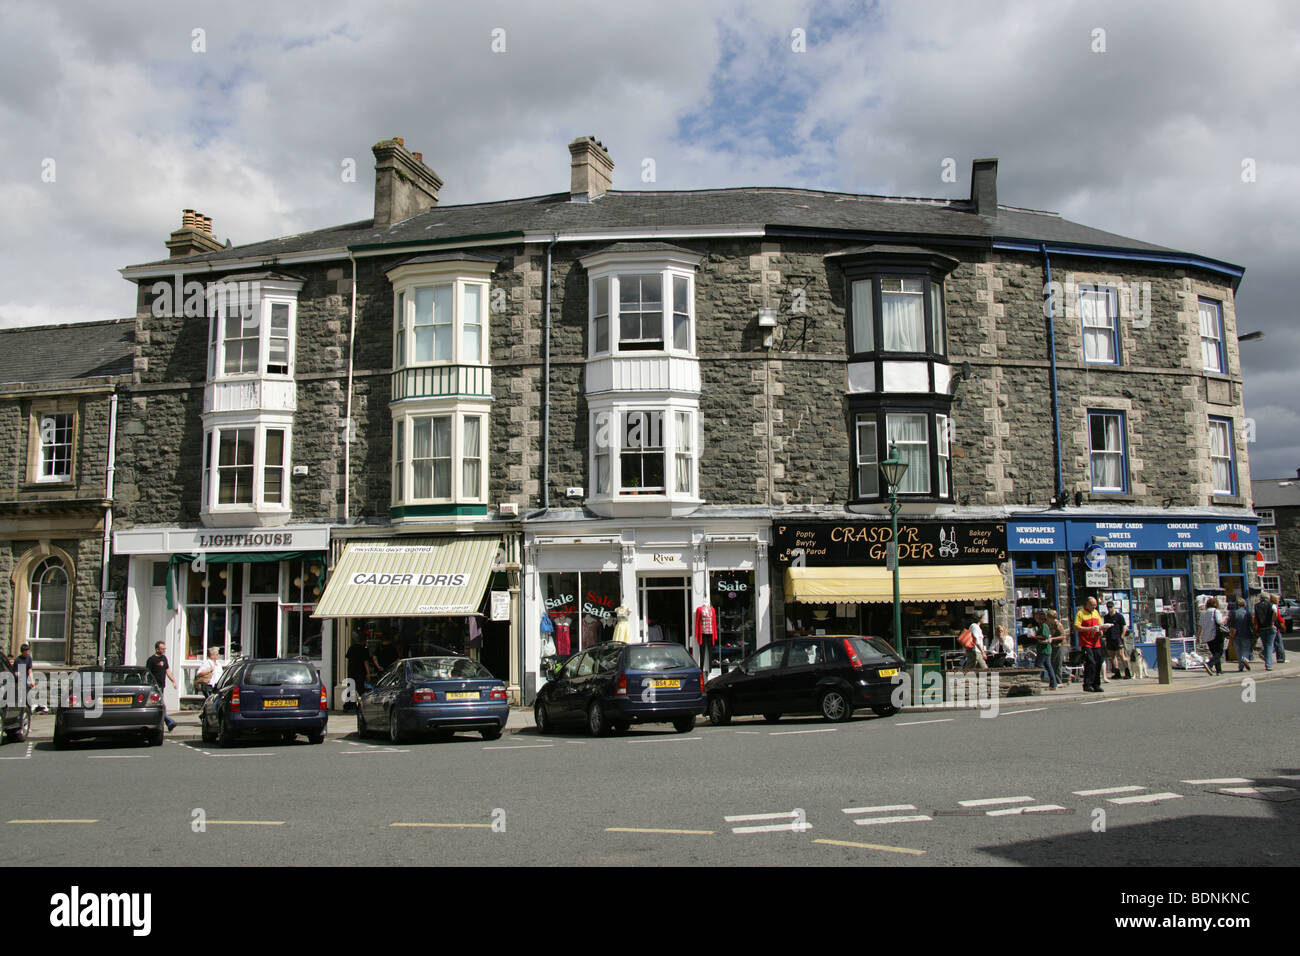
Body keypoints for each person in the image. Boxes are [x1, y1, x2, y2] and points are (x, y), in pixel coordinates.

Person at [145, 640, 178, 731]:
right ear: (157, 649)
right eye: (162, 649)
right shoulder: (151, 660)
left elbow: (167, 670)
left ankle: (167, 722)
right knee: (160, 705)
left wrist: (173, 681)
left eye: (164, 649)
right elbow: (147, 673)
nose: (164, 650)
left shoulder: (164, 659)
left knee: (159, 705)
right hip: (154, 686)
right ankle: (169, 721)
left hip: (161, 685)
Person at [1074, 597, 1105, 692]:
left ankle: (1096, 684)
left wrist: (1100, 632)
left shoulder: (1096, 613)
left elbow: (1100, 626)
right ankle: (1087, 684)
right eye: (1092, 605)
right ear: (1087, 604)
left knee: (1098, 662)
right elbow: (1076, 626)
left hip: (1096, 642)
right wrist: (1089, 629)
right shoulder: (1081, 613)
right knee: (1090, 663)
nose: (1094, 607)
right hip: (1086, 642)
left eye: (1095, 605)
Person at [344, 633, 375, 709]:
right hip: (360, 671)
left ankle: (348, 705)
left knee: (350, 688)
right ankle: (363, 704)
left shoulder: (351, 648)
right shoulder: (364, 649)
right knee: (360, 689)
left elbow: (348, 659)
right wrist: (368, 673)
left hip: (351, 671)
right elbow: (366, 662)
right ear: (364, 641)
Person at [1198, 597, 1226, 676]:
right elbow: (1219, 622)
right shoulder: (1215, 611)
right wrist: (1225, 618)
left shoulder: (1203, 613)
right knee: (1219, 652)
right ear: (1215, 604)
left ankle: (1219, 670)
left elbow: (1200, 626)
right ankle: (1209, 664)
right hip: (1216, 634)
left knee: (1214, 653)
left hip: (1207, 636)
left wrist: (1198, 636)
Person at [1103, 600, 1131, 679]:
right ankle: (1117, 672)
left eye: (1111, 607)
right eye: (1108, 607)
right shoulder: (1106, 617)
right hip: (1110, 637)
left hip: (1117, 637)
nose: (1109, 609)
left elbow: (1124, 626)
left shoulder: (1119, 616)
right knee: (1112, 655)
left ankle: (1127, 672)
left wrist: (1122, 636)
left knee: (1121, 654)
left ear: (1114, 607)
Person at [1033, 611, 1059, 688]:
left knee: (1038, 666)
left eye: (1036, 617)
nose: (1035, 618)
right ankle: (1053, 684)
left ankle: (1036, 683)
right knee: (1048, 666)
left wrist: (1034, 637)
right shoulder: (1043, 625)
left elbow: (1044, 636)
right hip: (1045, 650)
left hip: (1043, 650)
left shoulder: (1043, 625)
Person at [1253, 593, 1278, 670]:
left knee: (1266, 645)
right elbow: (1275, 612)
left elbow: (1255, 617)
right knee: (1269, 646)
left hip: (1262, 628)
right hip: (1270, 627)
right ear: (1267, 598)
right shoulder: (1272, 605)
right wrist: (1272, 622)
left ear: (1260, 598)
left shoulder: (1256, 606)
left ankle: (1266, 658)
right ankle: (1268, 664)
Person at [1230, 597, 1253, 672]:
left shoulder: (1233, 613)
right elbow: (1251, 624)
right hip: (1246, 633)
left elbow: (1231, 624)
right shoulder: (1247, 613)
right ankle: (1245, 659)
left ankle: (1240, 666)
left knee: (1238, 650)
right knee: (1246, 648)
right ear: (1244, 604)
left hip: (1235, 634)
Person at [1045, 609, 1068, 683]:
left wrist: (1052, 638)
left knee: (1058, 664)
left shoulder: (1058, 624)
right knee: (1053, 663)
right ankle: (1054, 680)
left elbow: (1063, 636)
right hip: (1054, 645)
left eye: (1048, 617)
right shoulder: (1049, 624)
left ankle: (1058, 681)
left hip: (1060, 645)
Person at [1273, 595, 1288, 663]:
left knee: (1274, 643)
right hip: (1275, 627)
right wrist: (1282, 621)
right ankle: (1281, 659)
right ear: (1274, 600)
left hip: (1271, 627)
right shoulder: (1274, 606)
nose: (1279, 601)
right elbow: (1278, 617)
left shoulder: (1271, 605)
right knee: (1279, 643)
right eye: (1278, 599)